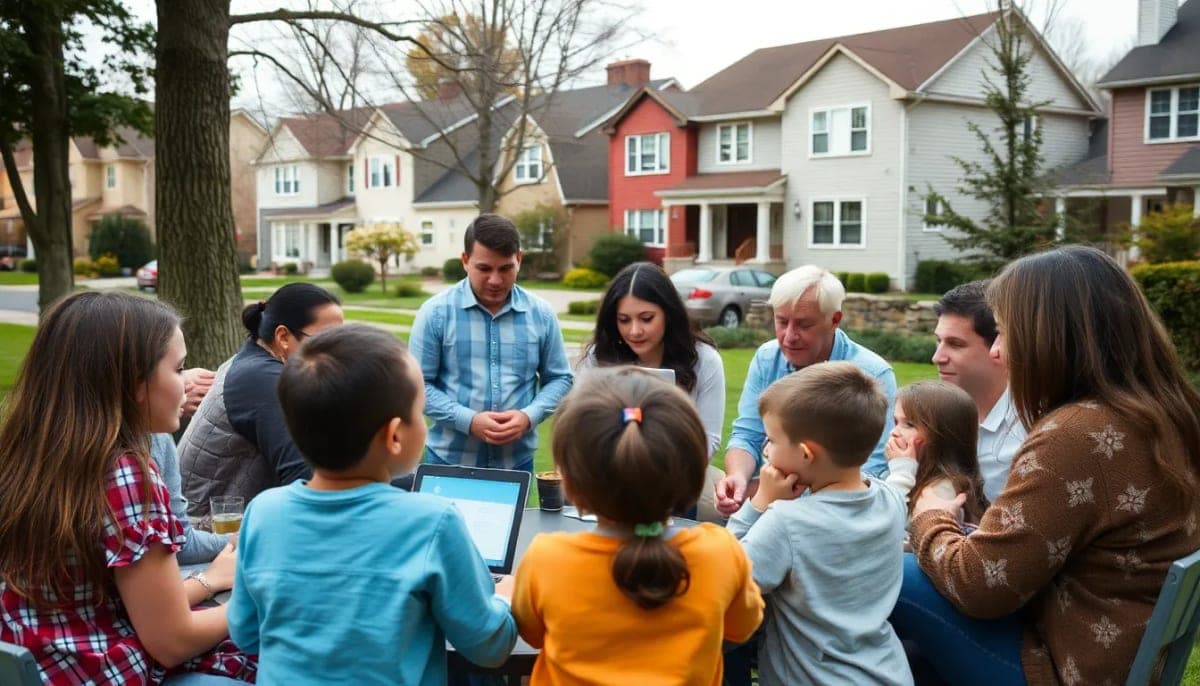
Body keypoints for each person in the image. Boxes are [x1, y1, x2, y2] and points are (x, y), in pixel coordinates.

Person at [893, 246, 1200, 685]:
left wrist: (931, 517)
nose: (996, 351)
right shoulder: (1166, 411)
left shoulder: (1078, 434)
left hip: (1065, 667)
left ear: (1050, 337)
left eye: (1004, 333)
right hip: (1117, 656)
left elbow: (982, 585)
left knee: (887, 571)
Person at [227, 324, 517, 684]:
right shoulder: (432, 522)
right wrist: (503, 597)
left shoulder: (263, 513)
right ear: (394, 435)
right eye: (421, 412)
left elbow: (246, 632)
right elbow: (489, 647)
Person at [0, 292, 254, 685]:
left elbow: (111, 604)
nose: (186, 384)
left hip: (50, 662)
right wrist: (260, 602)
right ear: (135, 383)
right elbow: (173, 641)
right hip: (102, 672)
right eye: (178, 369)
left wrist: (212, 580)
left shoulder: (29, 455)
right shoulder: (125, 474)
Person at [511, 367, 763, 684]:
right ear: (692, 475)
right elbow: (742, 626)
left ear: (570, 484)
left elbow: (531, 635)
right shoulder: (721, 553)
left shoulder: (546, 559)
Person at [727, 362, 910, 685]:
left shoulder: (787, 522)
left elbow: (725, 576)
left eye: (771, 440)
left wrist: (760, 503)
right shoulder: (891, 500)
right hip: (886, 673)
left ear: (805, 454)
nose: (765, 450)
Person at [715, 265, 897, 517]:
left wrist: (774, 494)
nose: (789, 336)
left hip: (837, 513)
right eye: (781, 321)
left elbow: (872, 472)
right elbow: (747, 435)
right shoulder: (767, 358)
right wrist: (738, 478)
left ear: (834, 320)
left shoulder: (872, 375)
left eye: (804, 324)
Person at [409, 213, 573, 472]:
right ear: (465, 261)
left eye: (505, 268)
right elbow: (417, 386)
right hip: (448, 461)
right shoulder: (435, 313)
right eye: (484, 268)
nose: (495, 280)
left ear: (519, 260)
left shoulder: (541, 314)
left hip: (516, 463)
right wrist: (468, 421)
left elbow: (561, 378)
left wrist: (528, 416)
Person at [178, 282, 343, 523]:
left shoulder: (254, 363)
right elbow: (304, 476)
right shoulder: (262, 378)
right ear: (283, 337)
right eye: (326, 340)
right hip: (213, 533)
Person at [580, 261, 725, 457]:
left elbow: (709, 438)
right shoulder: (599, 356)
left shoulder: (704, 360)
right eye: (624, 320)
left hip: (678, 470)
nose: (635, 331)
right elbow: (582, 426)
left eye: (646, 318)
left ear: (668, 314)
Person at [932, 280, 1025, 502]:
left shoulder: (1029, 429)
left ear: (999, 346)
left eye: (955, 344)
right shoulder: (935, 414)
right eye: (938, 341)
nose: (937, 357)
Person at [883, 382, 989, 527]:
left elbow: (884, 524)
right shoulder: (917, 473)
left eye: (909, 424)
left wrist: (901, 473)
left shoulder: (941, 491)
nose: (894, 432)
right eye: (896, 422)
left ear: (942, 437)